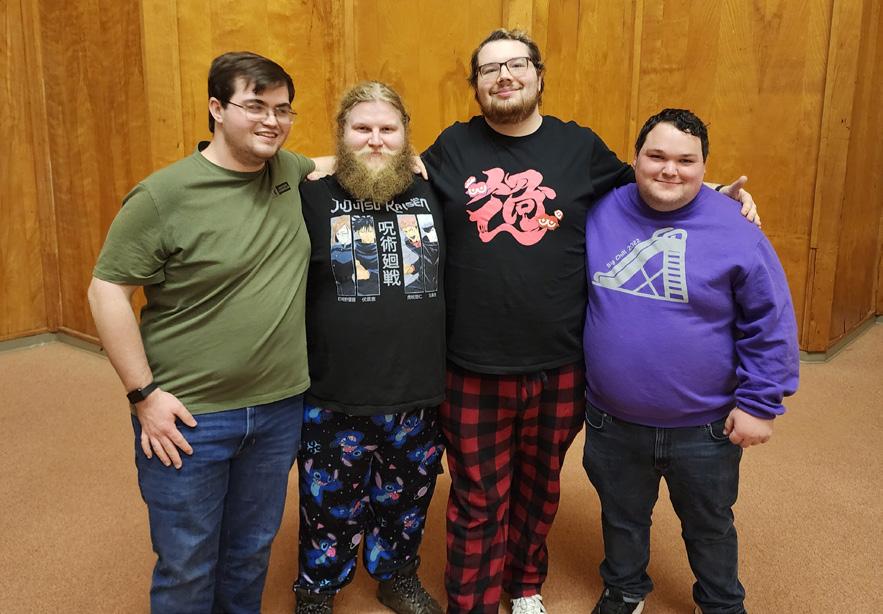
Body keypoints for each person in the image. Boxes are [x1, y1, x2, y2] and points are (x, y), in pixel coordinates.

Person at [421, 29, 759, 614]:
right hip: (471, 362)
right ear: (475, 85)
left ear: (538, 75)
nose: (505, 76)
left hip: (560, 364)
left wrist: (719, 195)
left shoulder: (579, 146)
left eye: (517, 64)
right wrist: (305, 165)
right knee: (477, 495)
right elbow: (385, 165)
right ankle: (470, 601)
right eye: (490, 69)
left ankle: (525, 584)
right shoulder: (451, 146)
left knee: (538, 488)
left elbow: (654, 182)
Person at [88, 51, 317, 613]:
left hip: (278, 408)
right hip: (189, 416)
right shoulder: (163, 196)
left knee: (249, 553)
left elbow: (341, 160)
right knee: (187, 564)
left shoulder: (288, 172)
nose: (272, 121)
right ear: (216, 108)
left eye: (283, 110)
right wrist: (144, 395)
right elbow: (107, 291)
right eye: (255, 106)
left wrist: (405, 157)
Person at [582, 109, 799, 614]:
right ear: (635, 159)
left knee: (710, 523)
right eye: (656, 156)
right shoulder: (598, 209)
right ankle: (625, 589)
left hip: (705, 425)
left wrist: (761, 404)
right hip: (613, 419)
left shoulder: (736, 228)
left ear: (705, 166)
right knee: (621, 517)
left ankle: (720, 602)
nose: (669, 170)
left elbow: (770, 322)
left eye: (686, 161)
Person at [293, 81, 445, 614]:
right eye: (362, 128)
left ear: (406, 135)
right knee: (326, 506)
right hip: (334, 390)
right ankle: (317, 589)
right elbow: (245, 167)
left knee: (406, 500)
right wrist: (312, 162)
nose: (376, 140)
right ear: (341, 134)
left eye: (388, 129)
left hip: (417, 391)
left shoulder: (434, 189)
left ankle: (396, 576)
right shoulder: (310, 194)